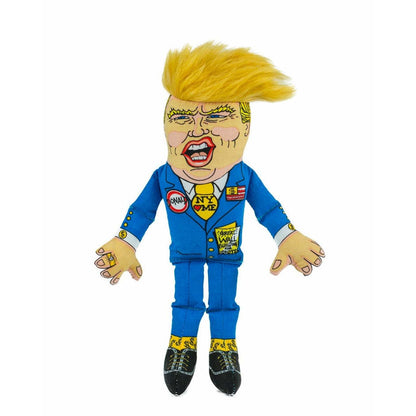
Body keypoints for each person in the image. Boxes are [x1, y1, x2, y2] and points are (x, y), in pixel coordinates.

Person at [94, 42, 325, 396]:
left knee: (223, 300)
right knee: (185, 300)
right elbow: (142, 211)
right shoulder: (164, 178)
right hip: (184, 255)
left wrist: (287, 235)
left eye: (216, 119)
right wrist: (126, 240)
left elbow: (268, 209)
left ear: (244, 130)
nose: (198, 131)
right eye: (183, 119)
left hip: (226, 255)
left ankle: (224, 345)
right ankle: (182, 342)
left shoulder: (243, 176)